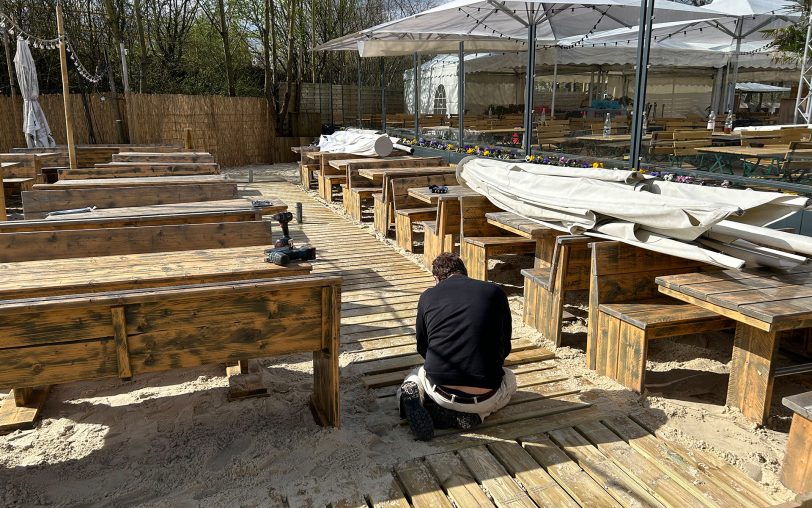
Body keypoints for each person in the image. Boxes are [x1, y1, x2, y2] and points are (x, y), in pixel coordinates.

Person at [396, 252, 517, 441]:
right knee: (510, 379)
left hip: (440, 392)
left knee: (415, 375)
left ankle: (412, 398)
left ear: (436, 278)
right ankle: (476, 416)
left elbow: (423, 347)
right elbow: (505, 346)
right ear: (465, 273)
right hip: (485, 395)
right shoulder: (495, 292)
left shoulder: (427, 296)